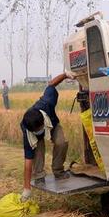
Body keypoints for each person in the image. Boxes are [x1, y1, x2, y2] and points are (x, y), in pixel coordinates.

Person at [20, 72, 71, 201]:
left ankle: (58, 171)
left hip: (52, 123)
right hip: (34, 133)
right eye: (36, 131)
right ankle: (39, 176)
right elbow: (28, 161)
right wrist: (26, 188)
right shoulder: (28, 130)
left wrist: (65, 75)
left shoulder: (47, 102)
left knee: (62, 142)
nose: (39, 131)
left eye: (40, 129)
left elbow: (51, 84)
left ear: (43, 121)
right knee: (37, 148)